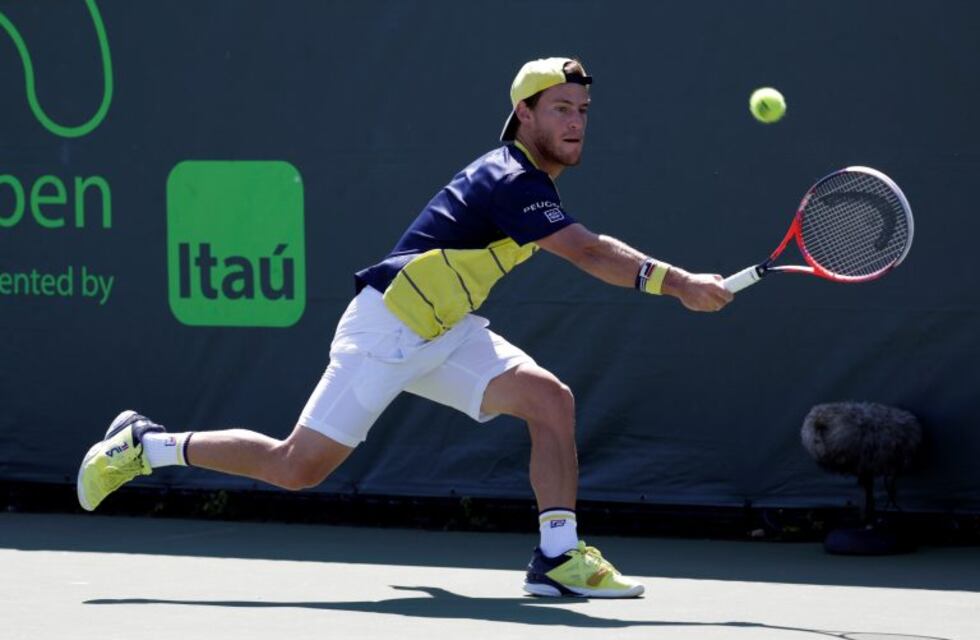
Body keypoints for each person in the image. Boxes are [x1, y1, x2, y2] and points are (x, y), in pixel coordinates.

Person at [77, 57, 733, 598]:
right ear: (523, 114)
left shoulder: (533, 185)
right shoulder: (509, 177)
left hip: (446, 331)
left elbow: (587, 244)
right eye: (559, 108)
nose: (575, 122)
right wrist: (679, 283)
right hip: (386, 330)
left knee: (549, 400)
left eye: (582, 111)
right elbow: (589, 251)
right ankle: (148, 444)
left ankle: (558, 557)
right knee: (297, 466)